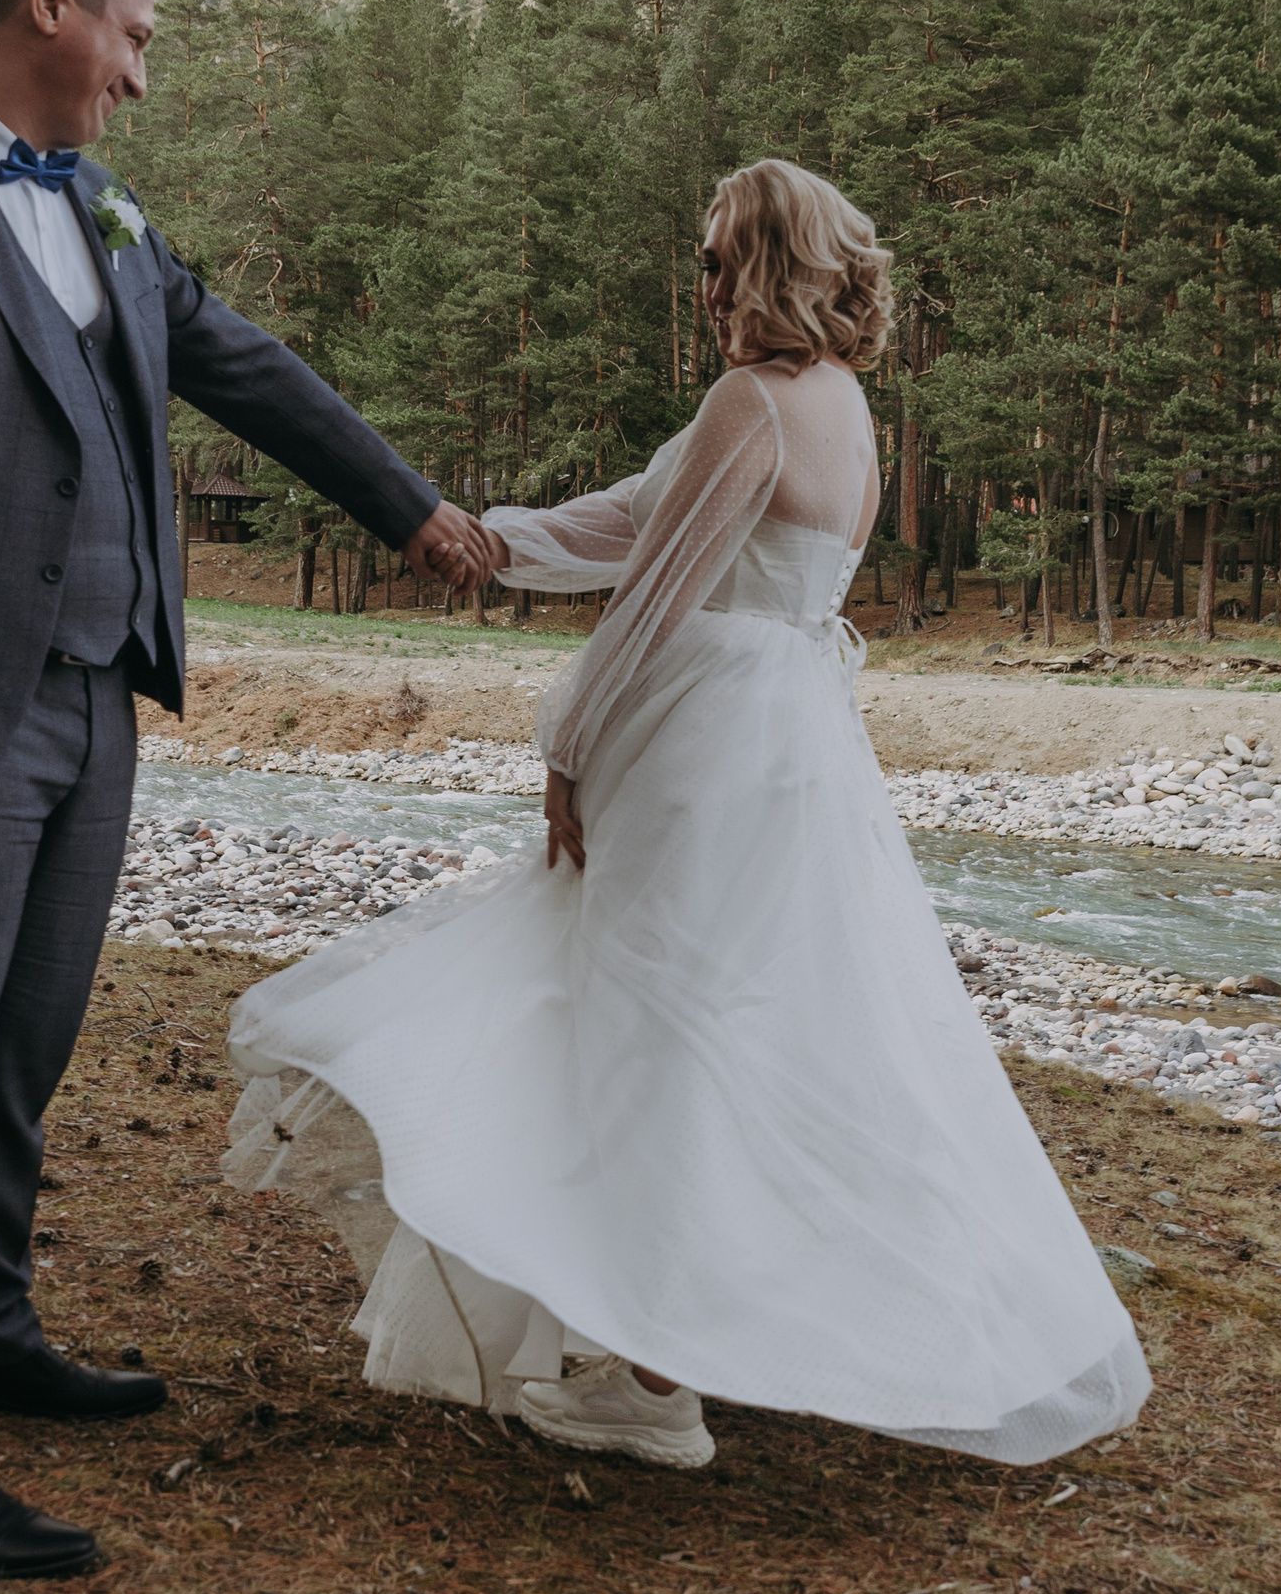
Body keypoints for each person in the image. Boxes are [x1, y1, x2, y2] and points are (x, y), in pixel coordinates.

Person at [0, 0, 490, 1576]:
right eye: (135, 38)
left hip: (97, 692)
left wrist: (413, 508)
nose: (141, 77)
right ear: (53, 7)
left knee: (25, 1047)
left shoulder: (104, 207)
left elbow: (246, 368)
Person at [225, 157, 1150, 1470]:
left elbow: (656, 590)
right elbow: (635, 520)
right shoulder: (841, 404)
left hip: (704, 736)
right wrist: (485, 536)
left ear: (773, 264)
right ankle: (702, 1333)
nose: (705, 285)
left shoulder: (751, 401)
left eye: (720, 261)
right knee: (753, 1026)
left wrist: (567, 741)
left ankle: (655, 1384)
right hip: (791, 742)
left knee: (655, 1033)